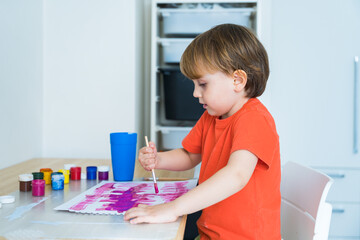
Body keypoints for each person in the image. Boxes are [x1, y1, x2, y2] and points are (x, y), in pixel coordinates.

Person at [124, 24, 281, 240]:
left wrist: (173, 208)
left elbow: (237, 175)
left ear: (237, 80)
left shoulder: (254, 119)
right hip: (210, 233)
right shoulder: (212, 116)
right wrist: (158, 159)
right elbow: (190, 155)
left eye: (203, 84)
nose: (195, 93)